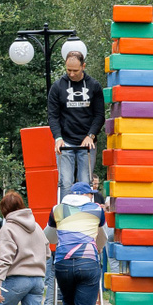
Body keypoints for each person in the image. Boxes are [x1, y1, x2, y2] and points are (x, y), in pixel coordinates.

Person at [46, 182, 105, 305]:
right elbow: (101, 236)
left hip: (62, 263)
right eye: (91, 194)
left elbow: (50, 237)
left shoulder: (57, 209)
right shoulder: (96, 209)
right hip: (87, 262)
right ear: (85, 195)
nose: (92, 196)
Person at [46, 41, 103, 196]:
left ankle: (85, 209)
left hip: (86, 141)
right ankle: (66, 210)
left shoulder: (94, 86)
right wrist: (58, 137)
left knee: (85, 182)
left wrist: (91, 135)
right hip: (66, 141)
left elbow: (99, 115)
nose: (71, 74)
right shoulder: (57, 87)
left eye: (75, 71)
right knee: (65, 182)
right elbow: (53, 116)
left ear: (83, 66)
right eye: (68, 70)